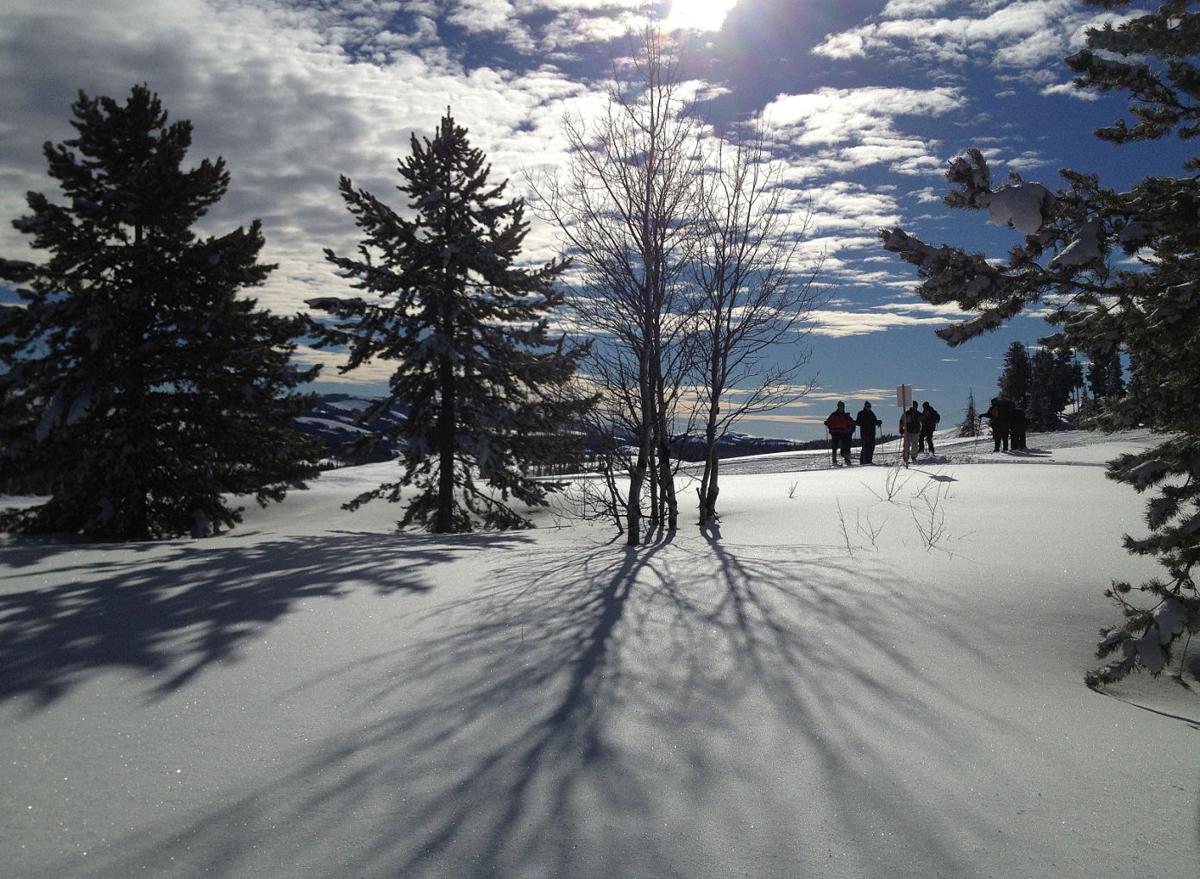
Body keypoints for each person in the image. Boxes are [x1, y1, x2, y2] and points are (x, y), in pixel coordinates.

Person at [824, 401, 856, 466]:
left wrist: (854, 423)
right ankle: (834, 459)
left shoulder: (846, 415)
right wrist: (827, 423)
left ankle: (846, 458)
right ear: (838, 407)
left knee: (845, 446)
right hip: (835, 432)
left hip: (843, 432)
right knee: (835, 446)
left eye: (842, 406)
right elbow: (829, 422)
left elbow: (851, 422)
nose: (842, 407)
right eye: (840, 406)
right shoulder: (834, 414)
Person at [899, 401, 921, 466]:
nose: (915, 407)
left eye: (916, 406)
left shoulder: (918, 414)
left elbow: (923, 420)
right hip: (908, 432)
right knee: (906, 445)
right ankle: (905, 458)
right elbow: (901, 421)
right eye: (914, 405)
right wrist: (901, 428)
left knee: (915, 446)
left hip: (916, 432)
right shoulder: (907, 413)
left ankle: (913, 457)